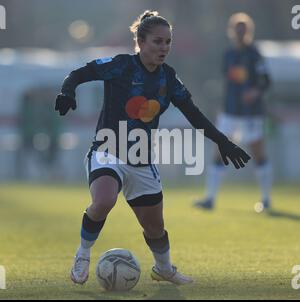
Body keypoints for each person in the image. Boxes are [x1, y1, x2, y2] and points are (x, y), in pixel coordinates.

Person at [55, 10, 250, 285]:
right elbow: (79, 73)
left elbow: (194, 114)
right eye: (157, 42)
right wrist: (67, 92)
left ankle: (164, 269)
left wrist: (223, 141)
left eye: (168, 42)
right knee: (103, 201)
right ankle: (83, 254)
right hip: (107, 148)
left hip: (141, 159)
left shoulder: (168, 78)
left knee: (155, 228)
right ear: (141, 41)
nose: (164, 48)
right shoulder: (120, 65)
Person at [194, 13, 271, 211]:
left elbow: (265, 81)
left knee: (258, 152)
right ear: (232, 31)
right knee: (220, 150)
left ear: (248, 32)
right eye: (237, 29)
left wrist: (254, 92)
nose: (240, 33)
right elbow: (227, 83)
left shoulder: (255, 54)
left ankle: (266, 198)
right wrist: (222, 105)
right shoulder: (228, 54)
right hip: (229, 111)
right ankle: (209, 198)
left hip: (251, 113)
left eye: (243, 29)